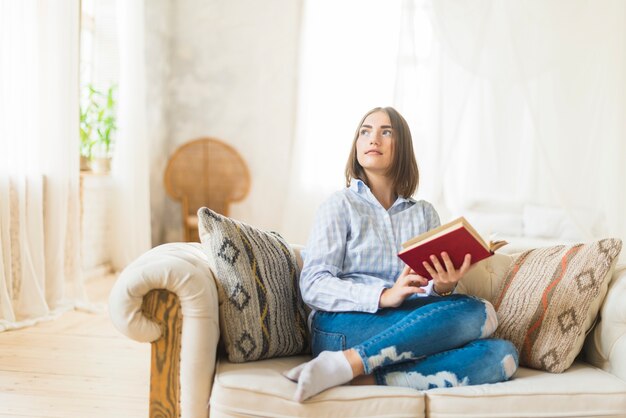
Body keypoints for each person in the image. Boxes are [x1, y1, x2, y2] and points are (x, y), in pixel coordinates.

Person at [283, 106, 518, 402]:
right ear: (356, 144)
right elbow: (314, 284)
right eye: (365, 131)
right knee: (482, 313)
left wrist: (443, 286)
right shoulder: (339, 205)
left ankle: (361, 376)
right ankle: (345, 360)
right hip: (342, 326)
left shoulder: (424, 214)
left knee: (503, 354)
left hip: (410, 323)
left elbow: (428, 289)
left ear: (402, 146)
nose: (373, 139)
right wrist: (383, 295)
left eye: (386, 132)